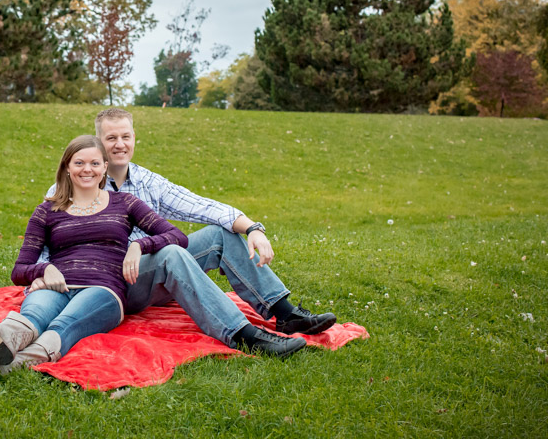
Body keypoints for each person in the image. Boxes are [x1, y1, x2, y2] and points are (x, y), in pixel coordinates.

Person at [34, 108, 335, 358]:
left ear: (135, 138)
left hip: (153, 270)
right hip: (112, 287)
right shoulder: (72, 186)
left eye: (126, 136)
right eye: (110, 138)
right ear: (97, 143)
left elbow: (200, 206)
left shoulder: (147, 181)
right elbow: (47, 245)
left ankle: (285, 314)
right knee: (171, 253)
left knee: (219, 235)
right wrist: (43, 274)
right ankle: (244, 335)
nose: (119, 144)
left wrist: (253, 228)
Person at [0, 134, 189, 374]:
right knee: (34, 314)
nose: (87, 169)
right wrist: (45, 269)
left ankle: (12, 364)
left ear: (104, 168)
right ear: (67, 168)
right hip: (57, 283)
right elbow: (19, 271)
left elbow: (177, 236)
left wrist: (138, 245)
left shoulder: (125, 203)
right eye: (79, 163)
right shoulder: (46, 211)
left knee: (65, 323)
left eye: (94, 163)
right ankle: (4, 339)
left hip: (104, 288)